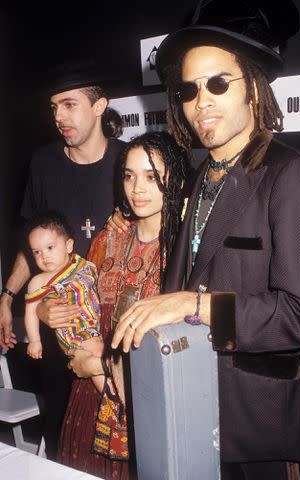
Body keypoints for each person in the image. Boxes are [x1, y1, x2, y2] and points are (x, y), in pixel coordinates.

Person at [111, 1, 300, 479]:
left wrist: (198, 303)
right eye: (188, 89)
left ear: (253, 85)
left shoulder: (290, 175)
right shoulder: (203, 175)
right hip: (195, 402)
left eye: (218, 83)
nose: (200, 101)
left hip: (262, 426)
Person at [0, 59, 126, 459]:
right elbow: (30, 245)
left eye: (69, 105)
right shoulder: (44, 164)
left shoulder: (130, 164)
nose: (58, 116)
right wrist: (9, 295)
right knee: (62, 444)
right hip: (58, 336)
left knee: (119, 442)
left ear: (100, 106)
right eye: (54, 107)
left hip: (114, 331)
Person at [56, 131, 188, 478]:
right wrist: (46, 312)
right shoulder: (108, 237)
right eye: (129, 176)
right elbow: (77, 302)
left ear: (174, 179)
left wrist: (99, 363)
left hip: (149, 406)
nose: (137, 188)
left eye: (152, 177)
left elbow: (186, 347)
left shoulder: (186, 251)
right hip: (89, 399)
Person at [24, 211, 104, 393]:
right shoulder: (40, 281)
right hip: (75, 329)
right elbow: (31, 312)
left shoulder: (79, 263)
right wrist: (35, 341)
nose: (44, 256)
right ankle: (110, 397)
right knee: (98, 355)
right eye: (37, 252)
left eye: (50, 248)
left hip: (96, 322)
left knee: (101, 355)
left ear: (68, 245)